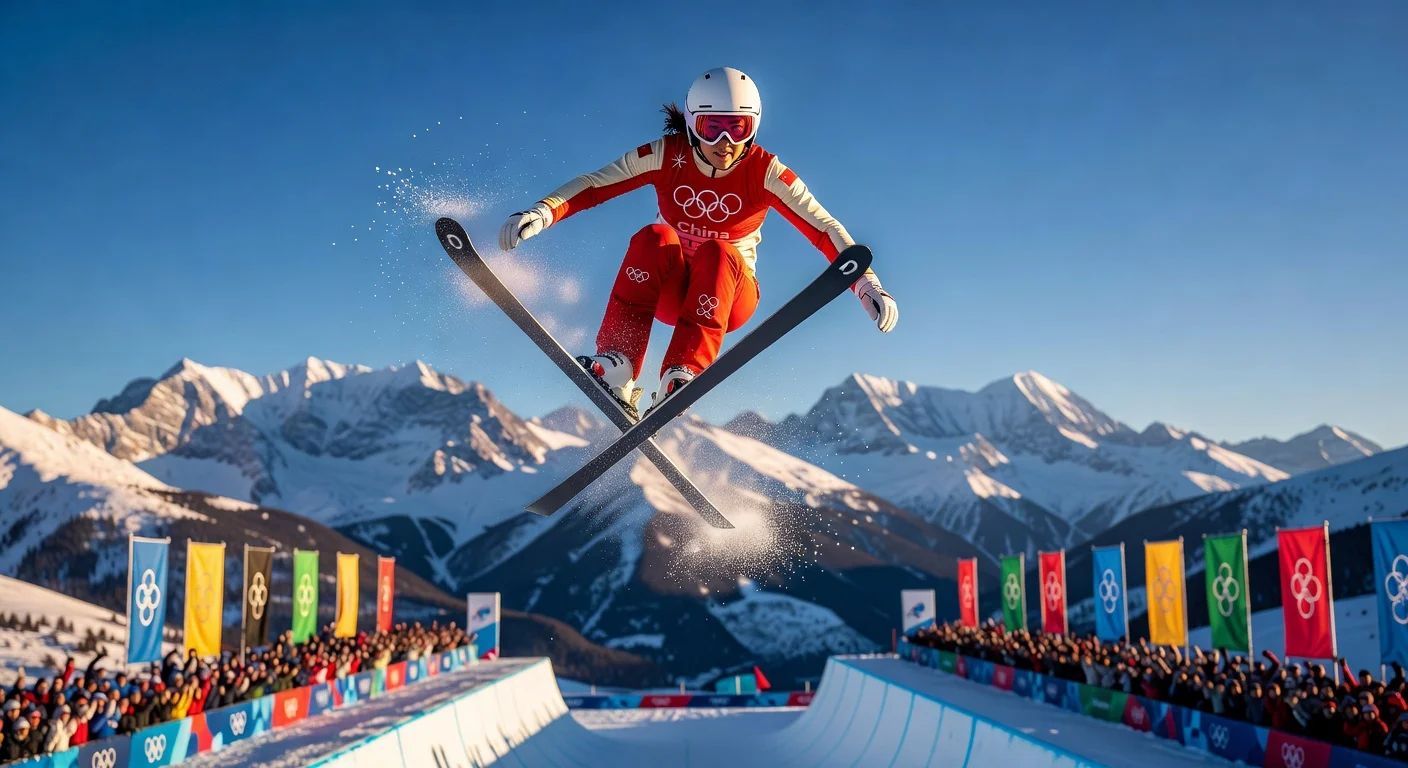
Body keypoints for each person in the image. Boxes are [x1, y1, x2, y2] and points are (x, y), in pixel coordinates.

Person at [499, 66, 899, 419]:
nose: (725, 141)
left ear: (753, 128)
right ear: (692, 124)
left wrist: (866, 283)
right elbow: (594, 185)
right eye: (713, 127)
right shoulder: (666, 155)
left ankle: (682, 371)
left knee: (718, 251)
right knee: (654, 237)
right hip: (670, 294)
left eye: (738, 128)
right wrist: (543, 211)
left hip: (728, 297)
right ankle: (619, 363)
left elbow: (822, 227)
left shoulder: (764, 171)